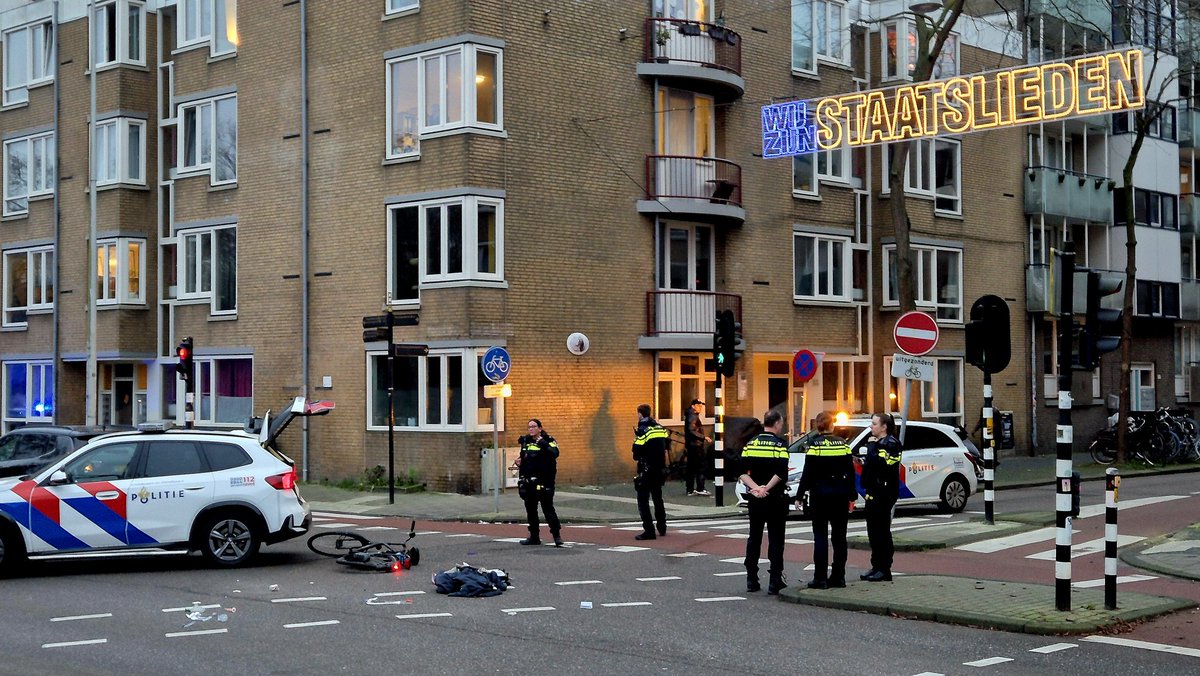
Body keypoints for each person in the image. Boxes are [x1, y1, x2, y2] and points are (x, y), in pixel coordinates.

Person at [797, 410, 857, 589]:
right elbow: (850, 472)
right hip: (840, 496)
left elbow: (807, 474)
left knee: (820, 537)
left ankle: (820, 578)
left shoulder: (815, 447)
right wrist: (851, 495)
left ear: (818, 426)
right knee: (839, 539)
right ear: (832, 426)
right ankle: (839, 576)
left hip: (820, 497)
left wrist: (799, 495)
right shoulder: (843, 445)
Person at [737, 410, 789, 594]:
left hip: (755, 498)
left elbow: (742, 471)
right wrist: (766, 488)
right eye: (781, 423)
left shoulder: (751, 444)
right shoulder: (780, 445)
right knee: (776, 539)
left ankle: (752, 578)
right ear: (776, 424)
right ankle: (775, 580)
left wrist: (755, 488)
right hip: (774, 498)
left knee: (754, 537)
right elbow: (782, 473)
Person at [861, 412, 902, 582]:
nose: (871, 427)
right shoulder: (878, 443)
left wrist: (872, 448)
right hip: (873, 491)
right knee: (873, 531)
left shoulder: (892, 444)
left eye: (874, 424)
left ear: (884, 427)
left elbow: (884, 465)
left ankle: (884, 569)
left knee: (881, 531)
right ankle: (876, 566)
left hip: (884, 493)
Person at [516, 419, 563, 547]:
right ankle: (534, 537)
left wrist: (542, 443)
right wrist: (520, 462)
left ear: (540, 428)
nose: (531, 429)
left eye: (534, 426)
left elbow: (555, 453)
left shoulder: (548, 440)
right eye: (529, 427)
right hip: (529, 482)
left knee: (548, 509)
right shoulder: (526, 441)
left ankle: (556, 536)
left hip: (544, 482)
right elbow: (525, 458)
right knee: (531, 511)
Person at [632, 403, 669, 540]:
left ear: (640, 414)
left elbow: (636, 452)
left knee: (643, 499)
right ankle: (662, 526)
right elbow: (667, 445)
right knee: (658, 498)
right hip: (660, 468)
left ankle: (649, 530)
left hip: (647, 469)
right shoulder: (659, 428)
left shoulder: (643, 430)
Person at [684, 398, 712, 496]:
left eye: (701, 406)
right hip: (696, 445)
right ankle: (700, 488)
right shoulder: (693, 416)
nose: (700, 408)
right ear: (693, 406)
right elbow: (691, 430)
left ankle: (690, 489)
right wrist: (704, 437)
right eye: (698, 405)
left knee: (691, 468)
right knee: (701, 466)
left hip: (692, 445)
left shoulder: (690, 415)